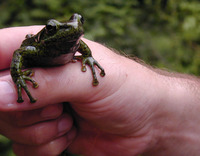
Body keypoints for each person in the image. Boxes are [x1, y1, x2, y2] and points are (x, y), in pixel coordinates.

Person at [0, 26, 200, 156]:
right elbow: (20, 52)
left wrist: (88, 56)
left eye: (78, 23)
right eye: (53, 29)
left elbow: (81, 45)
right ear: (47, 34)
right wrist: (18, 76)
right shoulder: (37, 47)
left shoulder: (74, 43)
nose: (73, 28)